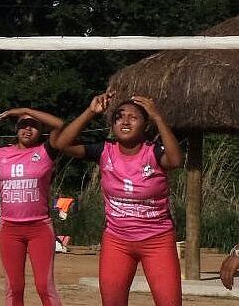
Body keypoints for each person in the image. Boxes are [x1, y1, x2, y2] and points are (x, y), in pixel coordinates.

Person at [49, 92, 184, 306]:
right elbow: (62, 144)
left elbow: (175, 160)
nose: (125, 121)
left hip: (157, 240)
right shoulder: (104, 150)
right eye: (119, 117)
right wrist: (90, 112)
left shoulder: (154, 152)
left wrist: (158, 117)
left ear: (146, 125)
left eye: (134, 117)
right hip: (117, 241)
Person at [0, 108, 82, 306]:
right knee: (14, 288)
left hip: (39, 228)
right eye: (23, 125)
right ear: (16, 129)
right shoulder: (1, 154)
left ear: (41, 130)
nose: (28, 129)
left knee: (44, 286)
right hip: (10, 229)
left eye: (34, 126)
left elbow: (60, 124)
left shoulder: (46, 150)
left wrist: (24, 110)